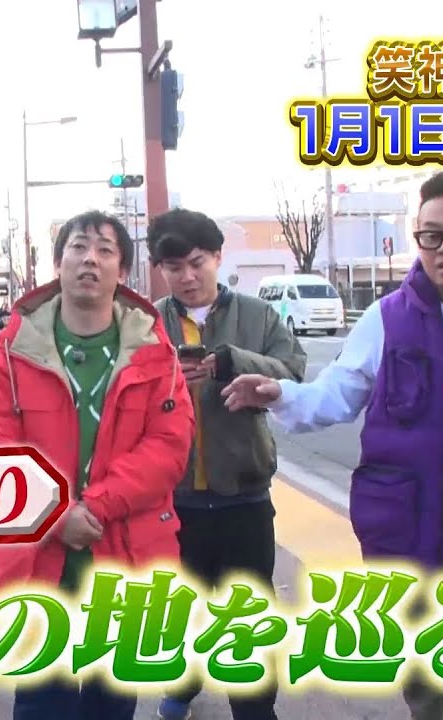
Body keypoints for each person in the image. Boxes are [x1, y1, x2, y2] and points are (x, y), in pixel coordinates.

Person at [222, 172, 443, 720]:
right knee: (434, 682)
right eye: (430, 236)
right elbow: (337, 394)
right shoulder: (387, 317)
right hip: (403, 531)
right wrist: (281, 394)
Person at [0, 210, 194, 720]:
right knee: (39, 706)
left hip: (125, 556)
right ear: (58, 264)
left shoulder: (155, 353)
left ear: (122, 271)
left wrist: (92, 507)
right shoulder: (9, 353)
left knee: (111, 705)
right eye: (78, 247)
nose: (90, 258)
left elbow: (169, 446)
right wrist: (55, 515)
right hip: (36, 560)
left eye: (105, 250)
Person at [147, 208, 306, 720]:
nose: (187, 277)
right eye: (174, 267)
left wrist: (235, 363)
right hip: (173, 500)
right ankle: (182, 684)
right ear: (160, 270)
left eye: (197, 262)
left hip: (244, 494)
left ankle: (256, 710)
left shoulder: (258, 316)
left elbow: (295, 372)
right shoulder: (146, 322)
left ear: (218, 257)